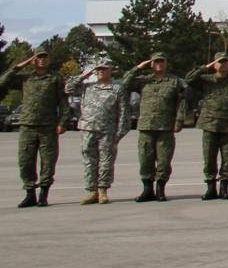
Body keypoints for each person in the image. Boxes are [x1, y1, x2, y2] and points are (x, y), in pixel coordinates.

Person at [2, 50, 68, 208]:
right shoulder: (26, 78)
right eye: (38, 57)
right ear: (33, 60)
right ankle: (30, 193)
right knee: (25, 161)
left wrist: (63, 122)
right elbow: (2, 81)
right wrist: (19, 66)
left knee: (48, 161)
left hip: (48, 126)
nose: (42, 60)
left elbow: (63, 102)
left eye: (45, 57)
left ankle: (43, 194)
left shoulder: (55, 78)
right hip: (27, 125)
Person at [122, 53, 186, 202]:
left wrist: (179, 121)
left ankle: (160, 189)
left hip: (165, 126)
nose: (158, 64)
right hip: (146, 126)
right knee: (145, 159)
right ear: (151, 64)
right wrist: (138, 68)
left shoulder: (175, 81)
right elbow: (125, 84)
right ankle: (147, 189)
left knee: (164, 161)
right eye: (155, 61)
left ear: (166, 63)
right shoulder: (144, 80)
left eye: (161, 61)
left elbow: (182, 102)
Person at [68, 57, 128, 205]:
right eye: (98, 69)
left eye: (104, 69)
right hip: (88, 128)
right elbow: (69, 88)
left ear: (110, 70)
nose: (100, 71)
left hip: (107, 130)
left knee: (106, 161)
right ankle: (91, 191)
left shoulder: (117, 88)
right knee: (89, 160)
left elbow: (123, 112)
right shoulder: (87, 86)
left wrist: (120, 133)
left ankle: (102, 191)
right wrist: (84, 75)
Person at [185, 56, 228, 200]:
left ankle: (224, 188)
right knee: (209, 158)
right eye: (220, 62)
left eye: (226, 62)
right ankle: (211, 188)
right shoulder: (206, 80)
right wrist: (205, 67)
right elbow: (189, 79)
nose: (223, 65)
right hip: (209, 124)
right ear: (214, 64)